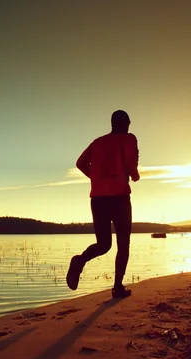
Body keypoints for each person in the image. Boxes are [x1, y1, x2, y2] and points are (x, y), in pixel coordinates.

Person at [66, 110, 140, 298]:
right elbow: (132, 166)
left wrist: (97, 178)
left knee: (103, 244)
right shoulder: (129, 139)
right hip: (119, 199)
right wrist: (135, 175)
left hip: (98, 199)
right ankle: (117, 287)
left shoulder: (97, 142)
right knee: (123, 244)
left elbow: (80, 162)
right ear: (125, 124)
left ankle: (79, 260)